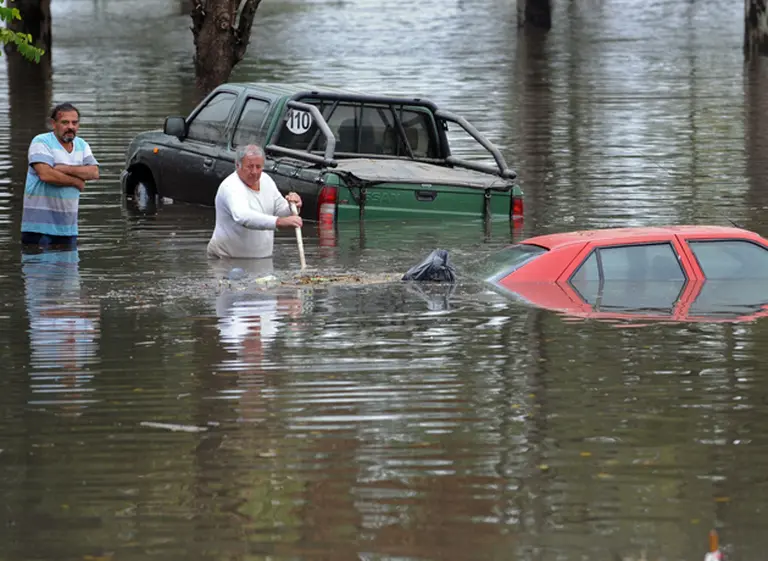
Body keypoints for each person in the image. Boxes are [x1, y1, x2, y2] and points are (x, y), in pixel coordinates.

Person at [20, 103, 100, 249]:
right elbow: (46, 174)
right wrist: (76, 182)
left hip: (68, 228)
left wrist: (64, 168)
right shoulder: (41, 142)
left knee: (69, 271)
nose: (70, 127)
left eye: (74, 123)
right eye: (65, 122)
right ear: (53, 124)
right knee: (38, 270)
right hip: (38, 229)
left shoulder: (82, 145)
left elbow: (94, 172)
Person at [207, 144, 303, 259]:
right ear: (238, 165)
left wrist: (293, 206)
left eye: (258, 167)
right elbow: (243, 217)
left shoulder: (266, 180)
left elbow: (281, 211)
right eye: (250, 166)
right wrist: (279, 222)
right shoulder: (230, 186)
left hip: (261, 260)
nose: (254, 172)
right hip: (227, 259)